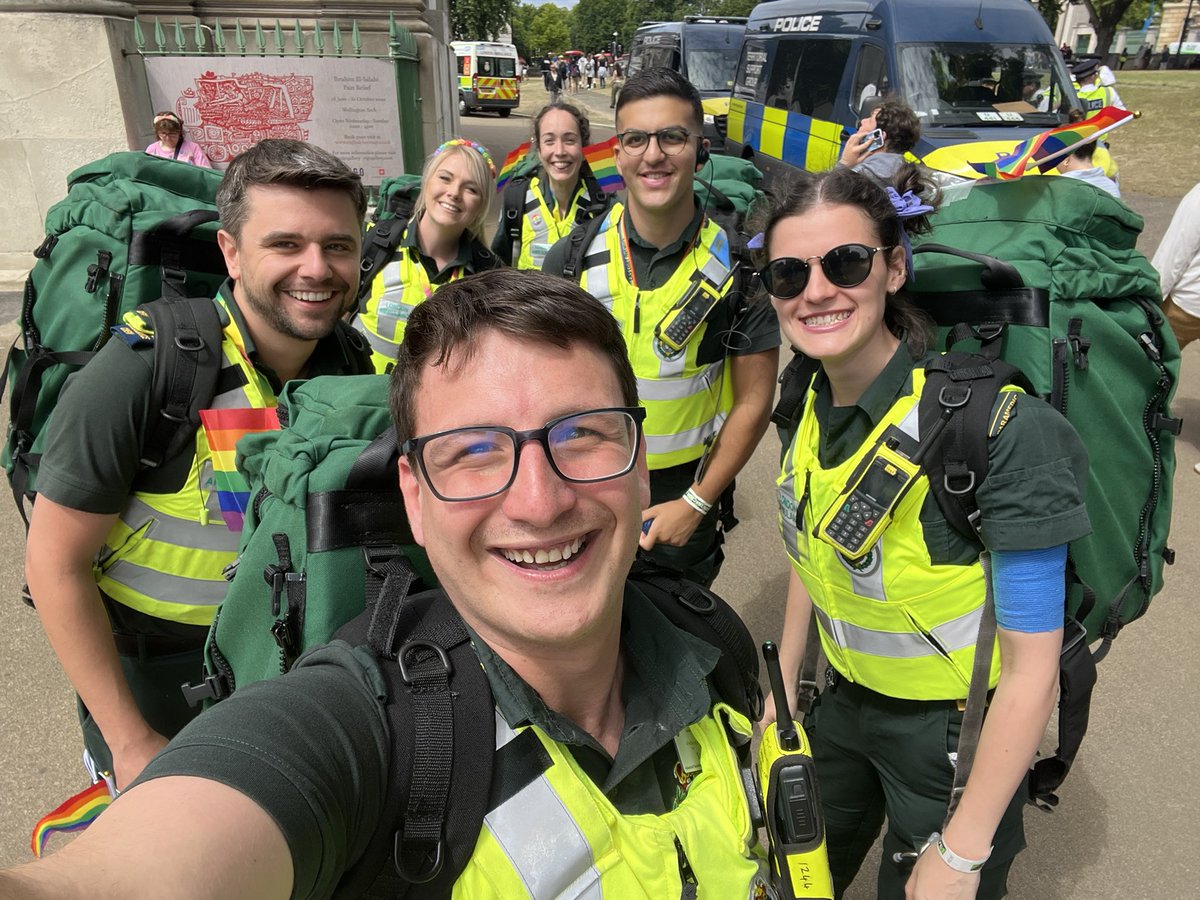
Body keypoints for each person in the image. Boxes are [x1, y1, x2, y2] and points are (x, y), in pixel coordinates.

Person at [0, 271, 778, 900]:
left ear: (640, 462)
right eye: (472, 451)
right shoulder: (364, 732)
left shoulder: (713, 644)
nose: (539, 502)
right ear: (413, 493)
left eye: (582, 434)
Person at [757, 164, 1090, 899]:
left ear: (895, 267)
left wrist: (965, 851)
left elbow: (1033, 670)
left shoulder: (1000, 430)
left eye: (844, 263)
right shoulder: (805, 403)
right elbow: (811, 553)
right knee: (791, 879)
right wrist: (781, 693)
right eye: (787, 273)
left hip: (950, 739)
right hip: (838, 707)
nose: (815, 291)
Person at [23, 139, 373, 792]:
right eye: (286, 244)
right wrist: (128, 742)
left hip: (292, 667)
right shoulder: (150, 369)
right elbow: (52, 565)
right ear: (231, 253)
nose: (317, 269)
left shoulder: (349, 364)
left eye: (339, 246)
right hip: (157, 690)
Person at [543, 67, 780, 587]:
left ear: (699, 150)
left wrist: (697, 504)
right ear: (618, 154)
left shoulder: (741, 269)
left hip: (683, 501)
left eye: (672, 136)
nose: (654, 154)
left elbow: (754, 402)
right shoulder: (569, 259)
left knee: (682, 642)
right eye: (636, 139)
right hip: (583, 488)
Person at [351, 138, 501, 372]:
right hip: (360, 398)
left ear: (482, 205)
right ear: (427, 181)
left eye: (471, 188)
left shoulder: (488, 273)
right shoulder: (376, 244)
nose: (454, 193)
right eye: (445, 178)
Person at [491, 102, 607, 270]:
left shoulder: (604, 205)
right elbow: (498, 269)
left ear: (583, 148)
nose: (559, 151)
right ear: (538, 149)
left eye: (570, 140)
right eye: (549, 141)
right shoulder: (517, 200)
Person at [1154, 182, 1200, 353]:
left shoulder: (1197, 197)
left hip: (1186, 305)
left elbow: (1175, 254)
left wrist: (1152, 297)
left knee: (1153, 363)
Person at [838, 96, 921, 182]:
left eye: (870, 120)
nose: (862, 121)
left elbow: (827, 192)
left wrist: (844, 164)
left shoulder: (862, 175)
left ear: (879, 136)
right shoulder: (907, 174)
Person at [1038, 140, 1121, 197]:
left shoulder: (1059, 189)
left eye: (1055, 159)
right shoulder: (1111, 187)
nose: (1054, 165)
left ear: (1066, 159)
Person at [144, 111, 212, 168]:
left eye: (172, 134)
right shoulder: (152, 149)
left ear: (179, 132)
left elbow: (206, 172)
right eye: (163, 133)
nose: (168, 138)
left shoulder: (193, 148)